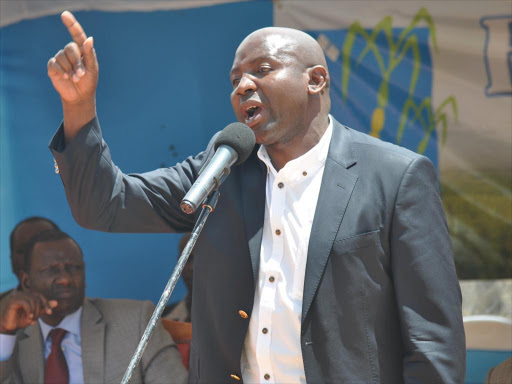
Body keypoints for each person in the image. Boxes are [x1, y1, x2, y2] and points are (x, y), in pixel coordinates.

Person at [47, 11, 466, 383]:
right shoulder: (222, 170)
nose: (243, 86)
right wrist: (78, 107)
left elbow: (432, 338)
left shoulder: (395, 176)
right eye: (235, 80)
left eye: (261, 70)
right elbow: (104, 205)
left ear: (315, 79)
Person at [0, 230, 187, 384]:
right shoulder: (11, 334)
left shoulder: (136, 320)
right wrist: (5, 333)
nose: (65, 279)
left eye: (74, 268)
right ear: (26, 281)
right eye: (52, 270)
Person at [0, 217, 59, 303]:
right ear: (12, 260)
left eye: (43, 248)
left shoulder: (84, 310)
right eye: (23, 250)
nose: (32, 257)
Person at [164, 233, 193, 322]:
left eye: (202, 259)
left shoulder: (234, 316)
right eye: (187, 259)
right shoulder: (161, 321)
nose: (192, 268)